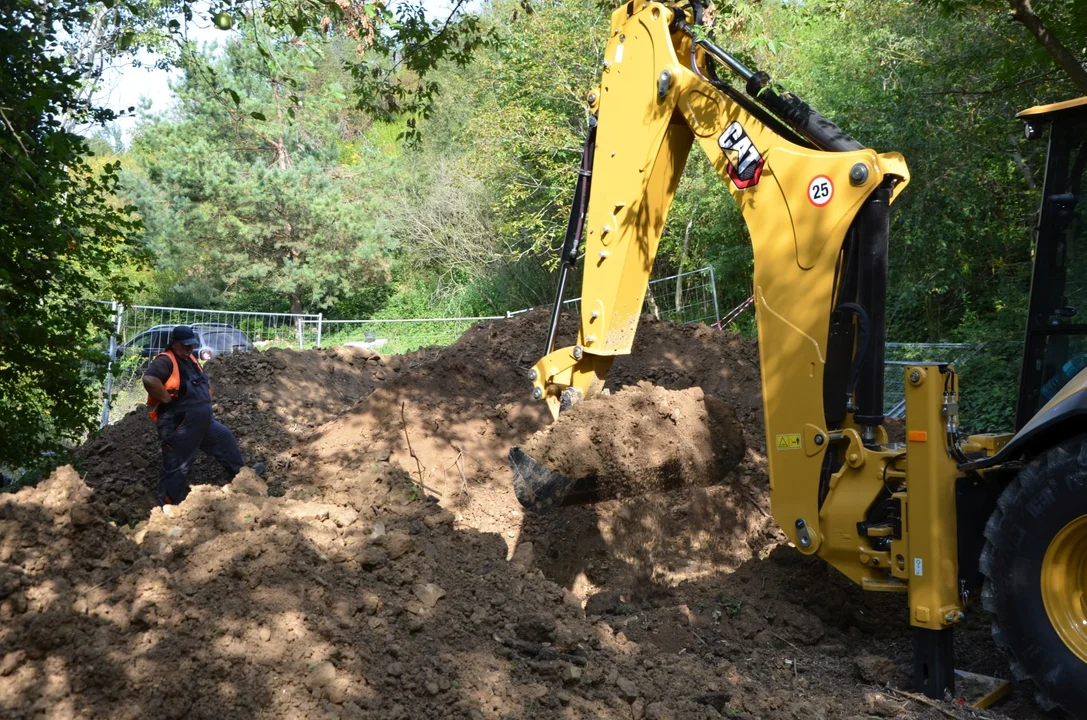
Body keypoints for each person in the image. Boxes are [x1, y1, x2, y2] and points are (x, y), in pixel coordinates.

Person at [142, 325, 245, 508]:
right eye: (185, 346)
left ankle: (243, 478)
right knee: (178, 464)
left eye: (192, 346)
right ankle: (169, 504)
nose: (190, 349)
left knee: (224, 438)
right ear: (174, 344)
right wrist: (166, 399)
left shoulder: (190, 359)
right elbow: (149, 379)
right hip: (180, 423)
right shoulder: (166, 361)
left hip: (203, 422)